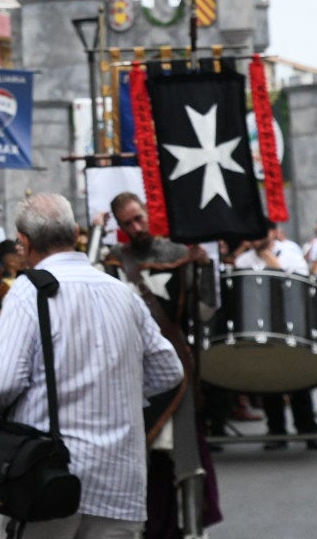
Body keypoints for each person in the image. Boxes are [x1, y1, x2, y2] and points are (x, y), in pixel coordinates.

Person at [0, 193, 183, 539]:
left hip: (46, 477)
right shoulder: (123, 293)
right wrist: (118, 388)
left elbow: (2, 383)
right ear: (76, 232)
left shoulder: (27, 293)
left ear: (24, 243)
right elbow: (169, 370)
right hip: (120, 480)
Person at [101, 193, 226, 534]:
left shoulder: (180, 256)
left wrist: (204, 266)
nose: (136, 227)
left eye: (139, 218)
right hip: (132, 371)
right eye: (128, 223)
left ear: (147, 213)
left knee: (183, 456)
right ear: (120, 227)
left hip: (176, 369)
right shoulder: (112, 263)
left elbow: (205, 311)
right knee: (142, 459)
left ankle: (190, 528)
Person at [230, 225, 317, 451]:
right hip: (259, 327)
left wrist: (272, 263)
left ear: (272, 232)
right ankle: (276, 430)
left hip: (289, 325)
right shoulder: (243, 261)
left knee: (297, 380)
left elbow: (298, 287)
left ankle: (308, 430)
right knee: (269, 379)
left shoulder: (291, 257)